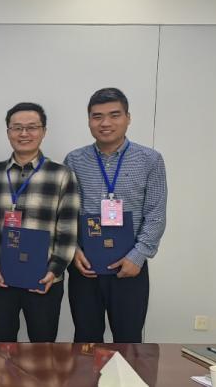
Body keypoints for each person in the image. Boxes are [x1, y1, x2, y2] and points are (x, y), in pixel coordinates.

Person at [64, 88, 167, 343]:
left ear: (128, 118)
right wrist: (73, 250)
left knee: (129, 341)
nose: (105, 123)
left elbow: (155, 213)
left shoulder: (150, 160)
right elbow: (66, 212)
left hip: (130, 268)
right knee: (85, 341)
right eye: (97, 116)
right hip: (85, 267)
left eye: (114, 115)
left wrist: (138, 256)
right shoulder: (75, 160)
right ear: (89, 120)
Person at [0, 102, 80, 342]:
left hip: (44, 278)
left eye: (32, 127)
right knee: (1, 346)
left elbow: (68, 229)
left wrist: (54, 270)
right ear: (8, 132)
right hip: (1, 276)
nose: (24, 134)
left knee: (43, 348)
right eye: (17, 128)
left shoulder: (62, 174)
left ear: (44, 131)